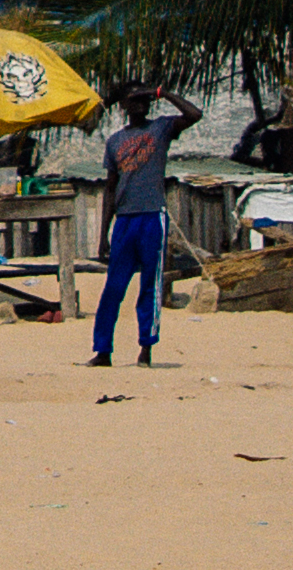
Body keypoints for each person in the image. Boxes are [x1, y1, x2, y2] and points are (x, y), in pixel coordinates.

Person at [86, 79, 200, 369]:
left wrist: (162, 93)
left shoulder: (161, 128)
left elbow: (194, 115)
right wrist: (103, 236)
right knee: (113, 288)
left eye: (143, 99)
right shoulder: (114, 142)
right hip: (124, 221)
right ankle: (102, 351)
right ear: (123, 105)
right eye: (132, 99)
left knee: (150, 285)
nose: (138, 104)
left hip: (152, 217)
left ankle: (146, 349)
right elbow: (110, 190)